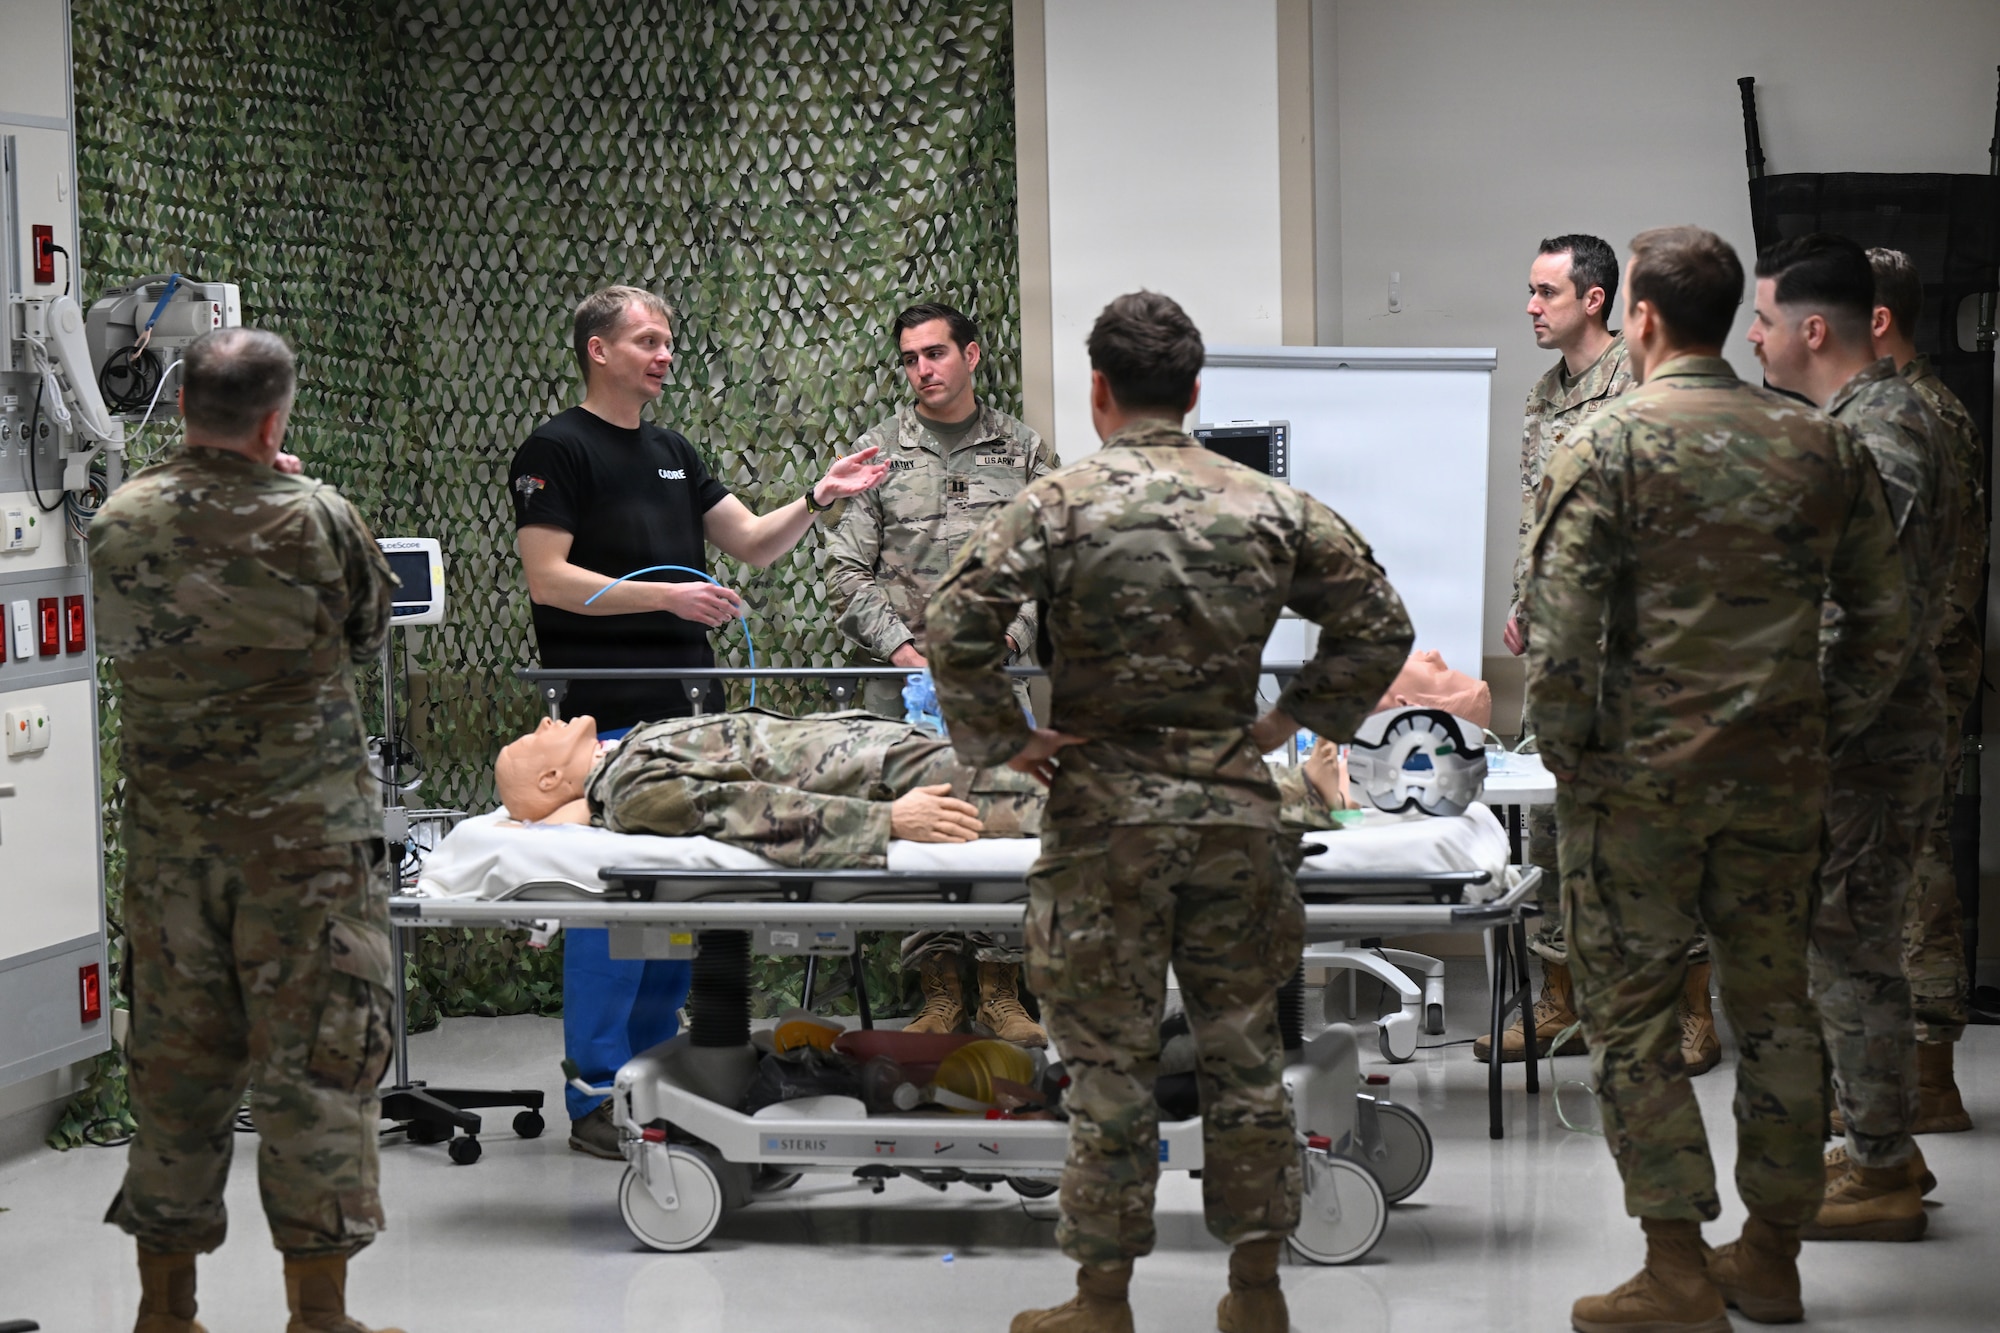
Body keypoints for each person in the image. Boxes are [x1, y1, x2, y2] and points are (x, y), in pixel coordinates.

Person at [928, 291, 1414, 1333]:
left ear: (1097, 391)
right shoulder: (1267, 504)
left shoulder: (1055, 503)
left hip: (1102, 816)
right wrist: (1286, 721)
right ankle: (1255, 1291)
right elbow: (1378, 622)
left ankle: (1100, 1298)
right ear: (1194, 393)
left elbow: (953, 620)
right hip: (1233, 814)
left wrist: (1007, 739)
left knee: (1107, 1064)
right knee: (1243, 1051)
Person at [1528, 227, 1910, 1330]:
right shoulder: (1818, 446)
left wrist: (1574, 756)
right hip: (1777, 782)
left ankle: (1675, 1267)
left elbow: (1557, 642)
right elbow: (1884, 622)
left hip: (1636, 793)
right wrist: (1818, 726)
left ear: (1638, 317)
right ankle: (1772, 1255)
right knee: (1778, 1013)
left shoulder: (1601, 447)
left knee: (1635, 1022)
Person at [506, 284, 889, 1158]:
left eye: (669, 339)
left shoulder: (675, 449)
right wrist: (670, 594)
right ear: (598, 350)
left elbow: (753, 540)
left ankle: (659, 1074)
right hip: (603, 725)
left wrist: (819, 498)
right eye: (647, 339)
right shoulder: (556, 449)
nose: (665, 353)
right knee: (612, 917)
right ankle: (596, 1094)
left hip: (688, 721)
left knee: (676, 906)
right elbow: (549, 578)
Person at [89, 328, 404, 1333]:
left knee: (177, 1078)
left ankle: (165, 1313)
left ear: (181, 408)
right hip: (306, 857)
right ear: (276, 420)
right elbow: (365, 629)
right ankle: (318, 1318)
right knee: (317, 1074)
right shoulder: (318, 516)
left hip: (171, 857)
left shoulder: (118, 520)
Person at [1749, 234, 1961, 1243]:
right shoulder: (1861, 420)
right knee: (1846, 945)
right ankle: (1882, 1144)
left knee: (1847, 951)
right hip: (1871, 735)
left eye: (1760, 320)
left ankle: (1877, 1169)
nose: (1751, 337)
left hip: (1866, 746)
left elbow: (1874, 619)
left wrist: (1809, 738)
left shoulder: (1878, 434)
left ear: (1811, 328)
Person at [826, 302, 1058, 1044]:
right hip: (903, 685)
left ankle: (998, 985)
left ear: (972, 355)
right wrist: (904, 651)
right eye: (911, 359)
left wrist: (1008, 643)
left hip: (995, 678)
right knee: (918, 828)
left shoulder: (1022, 453)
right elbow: (844, 573)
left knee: (999, 825)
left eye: (936, 353)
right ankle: (937, 988)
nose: (923, 369)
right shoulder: (877, 453)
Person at [492, 710, 1350, 866]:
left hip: (890, 759)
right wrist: (885, 824)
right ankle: (1289, 796)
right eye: (534, 740)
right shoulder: (635, 784)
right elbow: (752, 815)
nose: (546, 720)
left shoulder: (630, 754)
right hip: (890, 785)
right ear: (553, 776)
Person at [1485, 233, 1641, 1066]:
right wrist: (1522, 600)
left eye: (1546, 292)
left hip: (1631, 654)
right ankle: (1557, 1000)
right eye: (1531, 290)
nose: (1531, 307)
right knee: (1547, 827)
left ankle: (1687, 1006)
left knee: (1643, 828)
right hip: (1557, 650)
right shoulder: (1544, 395)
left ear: (1594, 299)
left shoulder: (1644, 384)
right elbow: (1534, 515)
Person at [1867, 246, 1982, 1136]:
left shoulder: (1919, 418)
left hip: (1921, 684)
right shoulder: (1926, 407)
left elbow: (1930, 585)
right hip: (1920, 679)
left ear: (1878, 319)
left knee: (1921, 881)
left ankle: (1931, 1080)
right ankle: (1914, 1078)